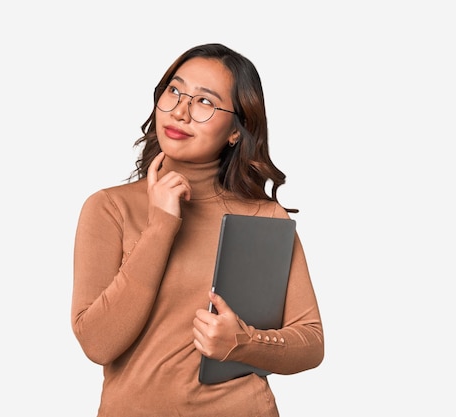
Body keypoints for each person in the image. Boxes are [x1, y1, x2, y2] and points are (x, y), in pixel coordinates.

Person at [71, 43, 324, 416]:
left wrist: (245, 343)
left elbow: (310, 342)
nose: (181, 111)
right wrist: (161, 226)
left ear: (237, 131)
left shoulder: (265, 217)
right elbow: (98, 344)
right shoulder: (110, 207)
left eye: (205, 102)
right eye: (174, 91)